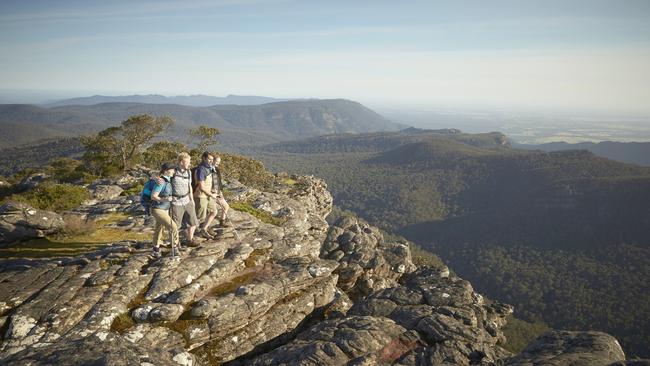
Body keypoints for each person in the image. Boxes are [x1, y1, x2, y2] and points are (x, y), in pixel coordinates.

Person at [150, 162, 180, 258]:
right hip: (158, 209)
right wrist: (166, 199)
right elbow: (153, 196)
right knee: (173, 227)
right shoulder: (161, 181)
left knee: (159, 228)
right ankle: (174, 248)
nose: (174, 171)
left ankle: (156, 249)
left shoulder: (168, 180)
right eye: (172, 169)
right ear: (166, 171)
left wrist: (170, 198)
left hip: (164, 208)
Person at [170, 152, 199, 247]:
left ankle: (189, 240)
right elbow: (163, 178)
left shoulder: (189, 172)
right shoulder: (173, 171)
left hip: (187, 200)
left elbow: (189, 186)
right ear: (181, 162)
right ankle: (175, 243)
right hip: (176, 202)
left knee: (193, 222)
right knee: (176, 225)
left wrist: (192, 199)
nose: (189, 164)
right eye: (187, 162)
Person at [194, 151, 218, 239]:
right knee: (199, 216)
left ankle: (203, 229)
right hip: (201, 196)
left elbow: (207, 184)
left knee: (213, 211)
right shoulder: (201, 169)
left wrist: (212, 190)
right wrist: (211, 194)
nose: (211, 161)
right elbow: (201, 186)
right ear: (203, 158)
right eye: (209, 159)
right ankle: (192, 234)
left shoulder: (209, 168)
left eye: (212, 159)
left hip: (208, 195)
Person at [211, 154, 231, 228]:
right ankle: (206, 226)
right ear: (212, 160)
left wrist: (220, 190)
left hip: (218, 192)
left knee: (226, 206)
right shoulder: (207, 170)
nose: (217, 163)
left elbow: (218, 181)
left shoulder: (216, 169)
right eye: (216, 162)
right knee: (212, 211)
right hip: (211, 193)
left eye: (219, 162)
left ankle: (222, 221)